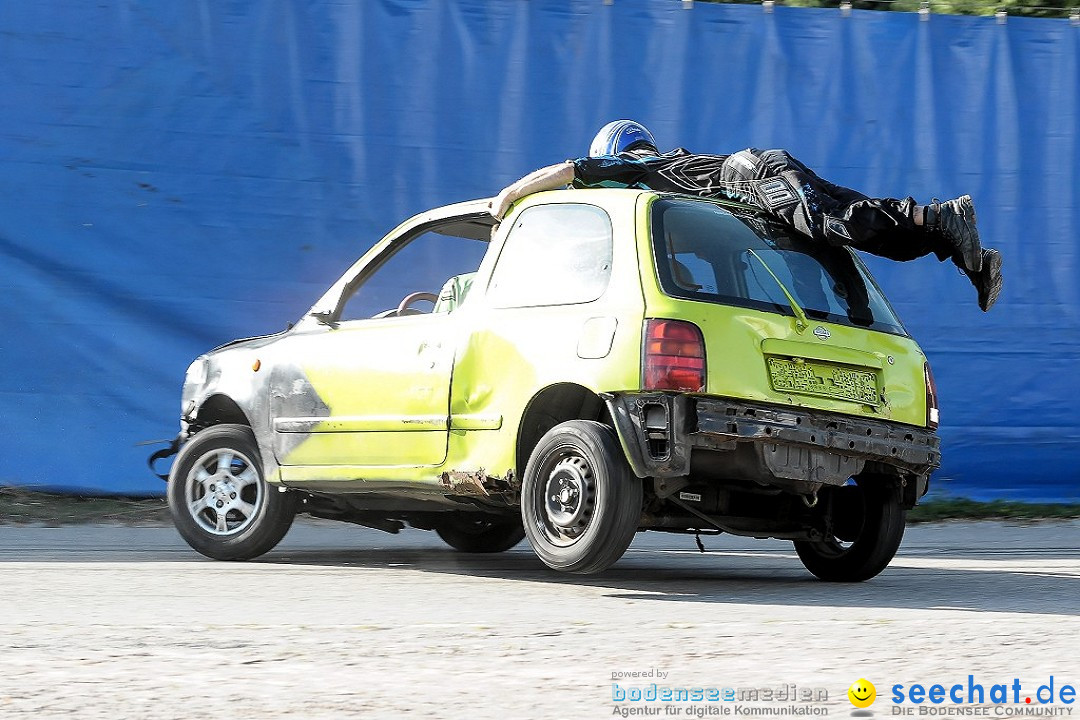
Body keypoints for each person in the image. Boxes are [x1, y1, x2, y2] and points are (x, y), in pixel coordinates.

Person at [490, 120, 1003, 311]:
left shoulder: (635, 169)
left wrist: (509, 194)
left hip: (753, 176)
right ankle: (959, 246)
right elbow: (827, 256)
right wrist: (857, 306)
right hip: (763, 172)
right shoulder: (674, 173)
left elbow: (570, 169)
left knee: (837, 224)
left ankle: (942, 217)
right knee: (845, 227)